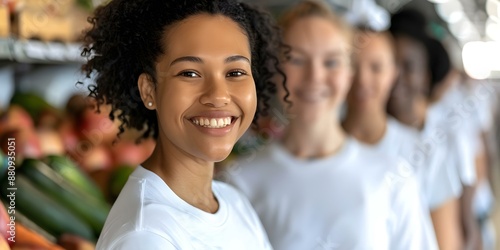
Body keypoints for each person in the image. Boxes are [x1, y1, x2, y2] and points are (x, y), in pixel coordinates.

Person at [226, 1, 435, 249]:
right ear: (274, 68)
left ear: (349, 73)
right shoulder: (241, 182)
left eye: (331, 62)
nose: (315, 77)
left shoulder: (392, 179)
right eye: (297, 59)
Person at [80, 0, 286, 249]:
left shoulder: (234, 203)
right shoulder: (146, 235)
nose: (218, 96)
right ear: (149, 90)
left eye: (235, 72)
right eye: (190, 73)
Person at [342, 26, 463, 249]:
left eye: (376, 67)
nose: (363, 80)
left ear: (392, 73)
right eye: (352, 66)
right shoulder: (320, 152)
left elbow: (447, 241)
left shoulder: (425, 150)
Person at [386, 9, 480, 250]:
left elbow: (461, 222)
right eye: (388, 65)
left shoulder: (443, 132)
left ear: (426, 77)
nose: (396, 77)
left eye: (408, 66)